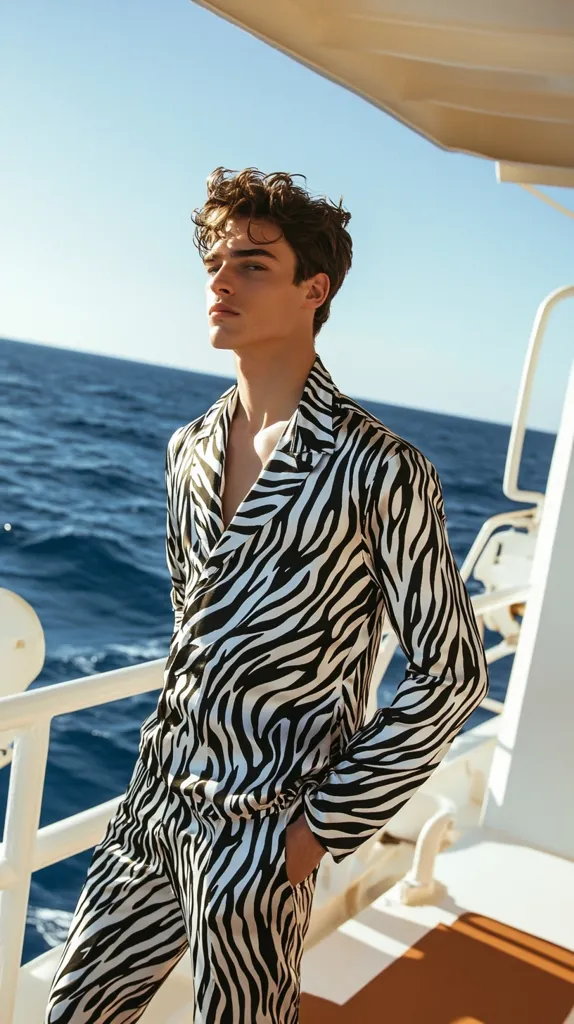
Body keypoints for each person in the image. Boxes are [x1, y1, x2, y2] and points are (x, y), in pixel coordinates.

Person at [45, 167, 489, 1024]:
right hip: (152, 807)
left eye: (252, 265)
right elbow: (193, 632)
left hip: (263, 834)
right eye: (215, 262)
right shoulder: (189, 449)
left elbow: (452, 673)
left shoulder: (380, 469)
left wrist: (314, 833)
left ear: (313, 290)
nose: (221, 281)